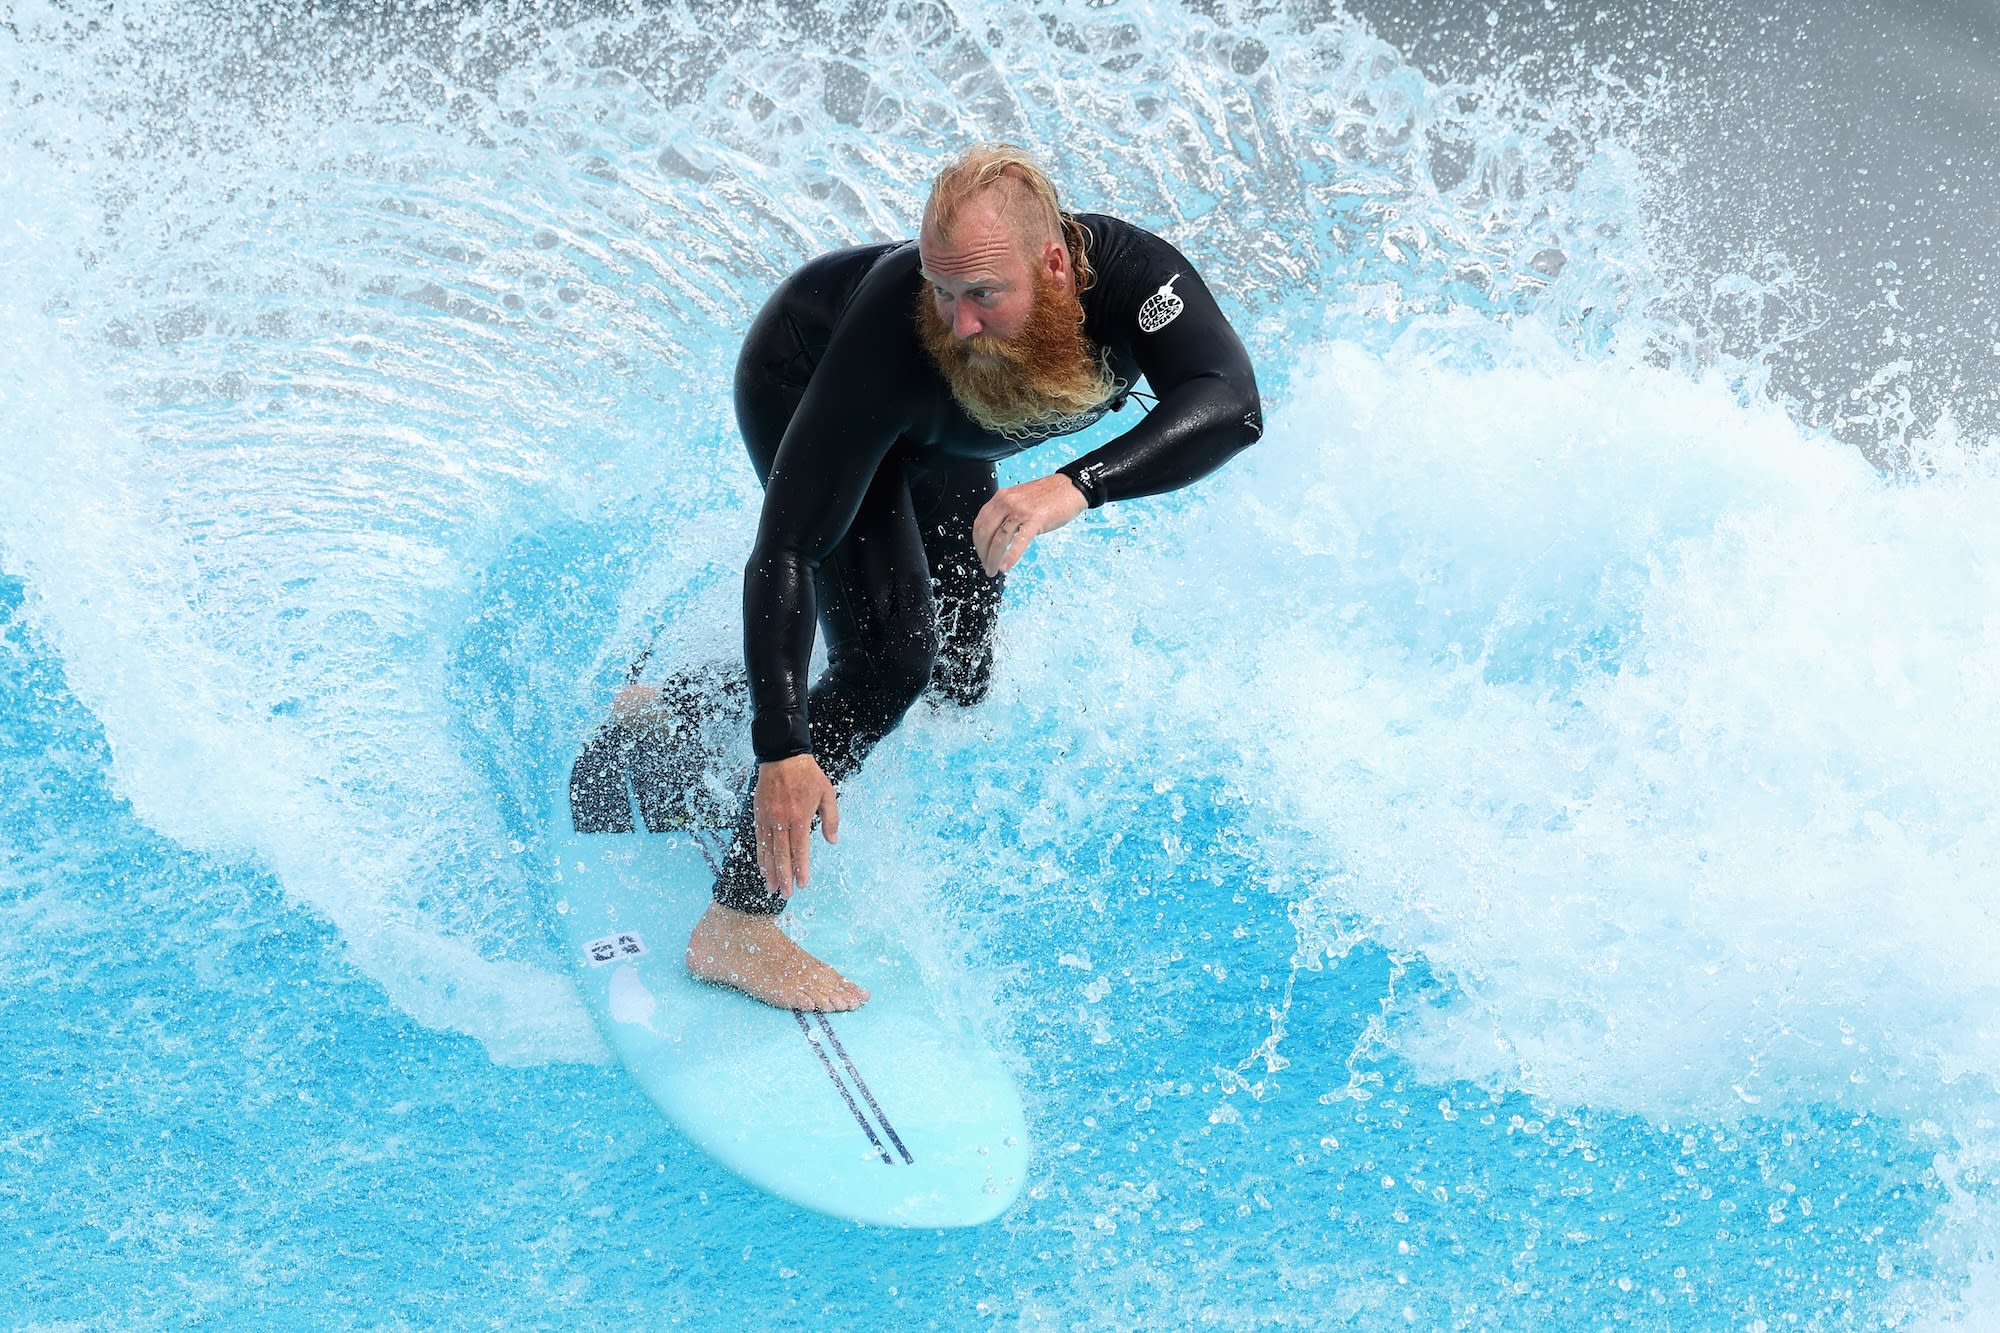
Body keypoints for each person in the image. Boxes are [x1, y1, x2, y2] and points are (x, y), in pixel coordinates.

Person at [657, 143, 1262, 1012]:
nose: (960, 322)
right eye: (942, 291)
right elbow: (788, 551)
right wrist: (782, 748)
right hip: (811, 384)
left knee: (960, 672)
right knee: (889, 660)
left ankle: (684, 708)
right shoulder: (899, 335)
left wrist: (1075, 485)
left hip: (946, 433)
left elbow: (1230, 402)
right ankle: (735, 923)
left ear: (1054, 265)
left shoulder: (1133, 280)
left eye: (982, 294)